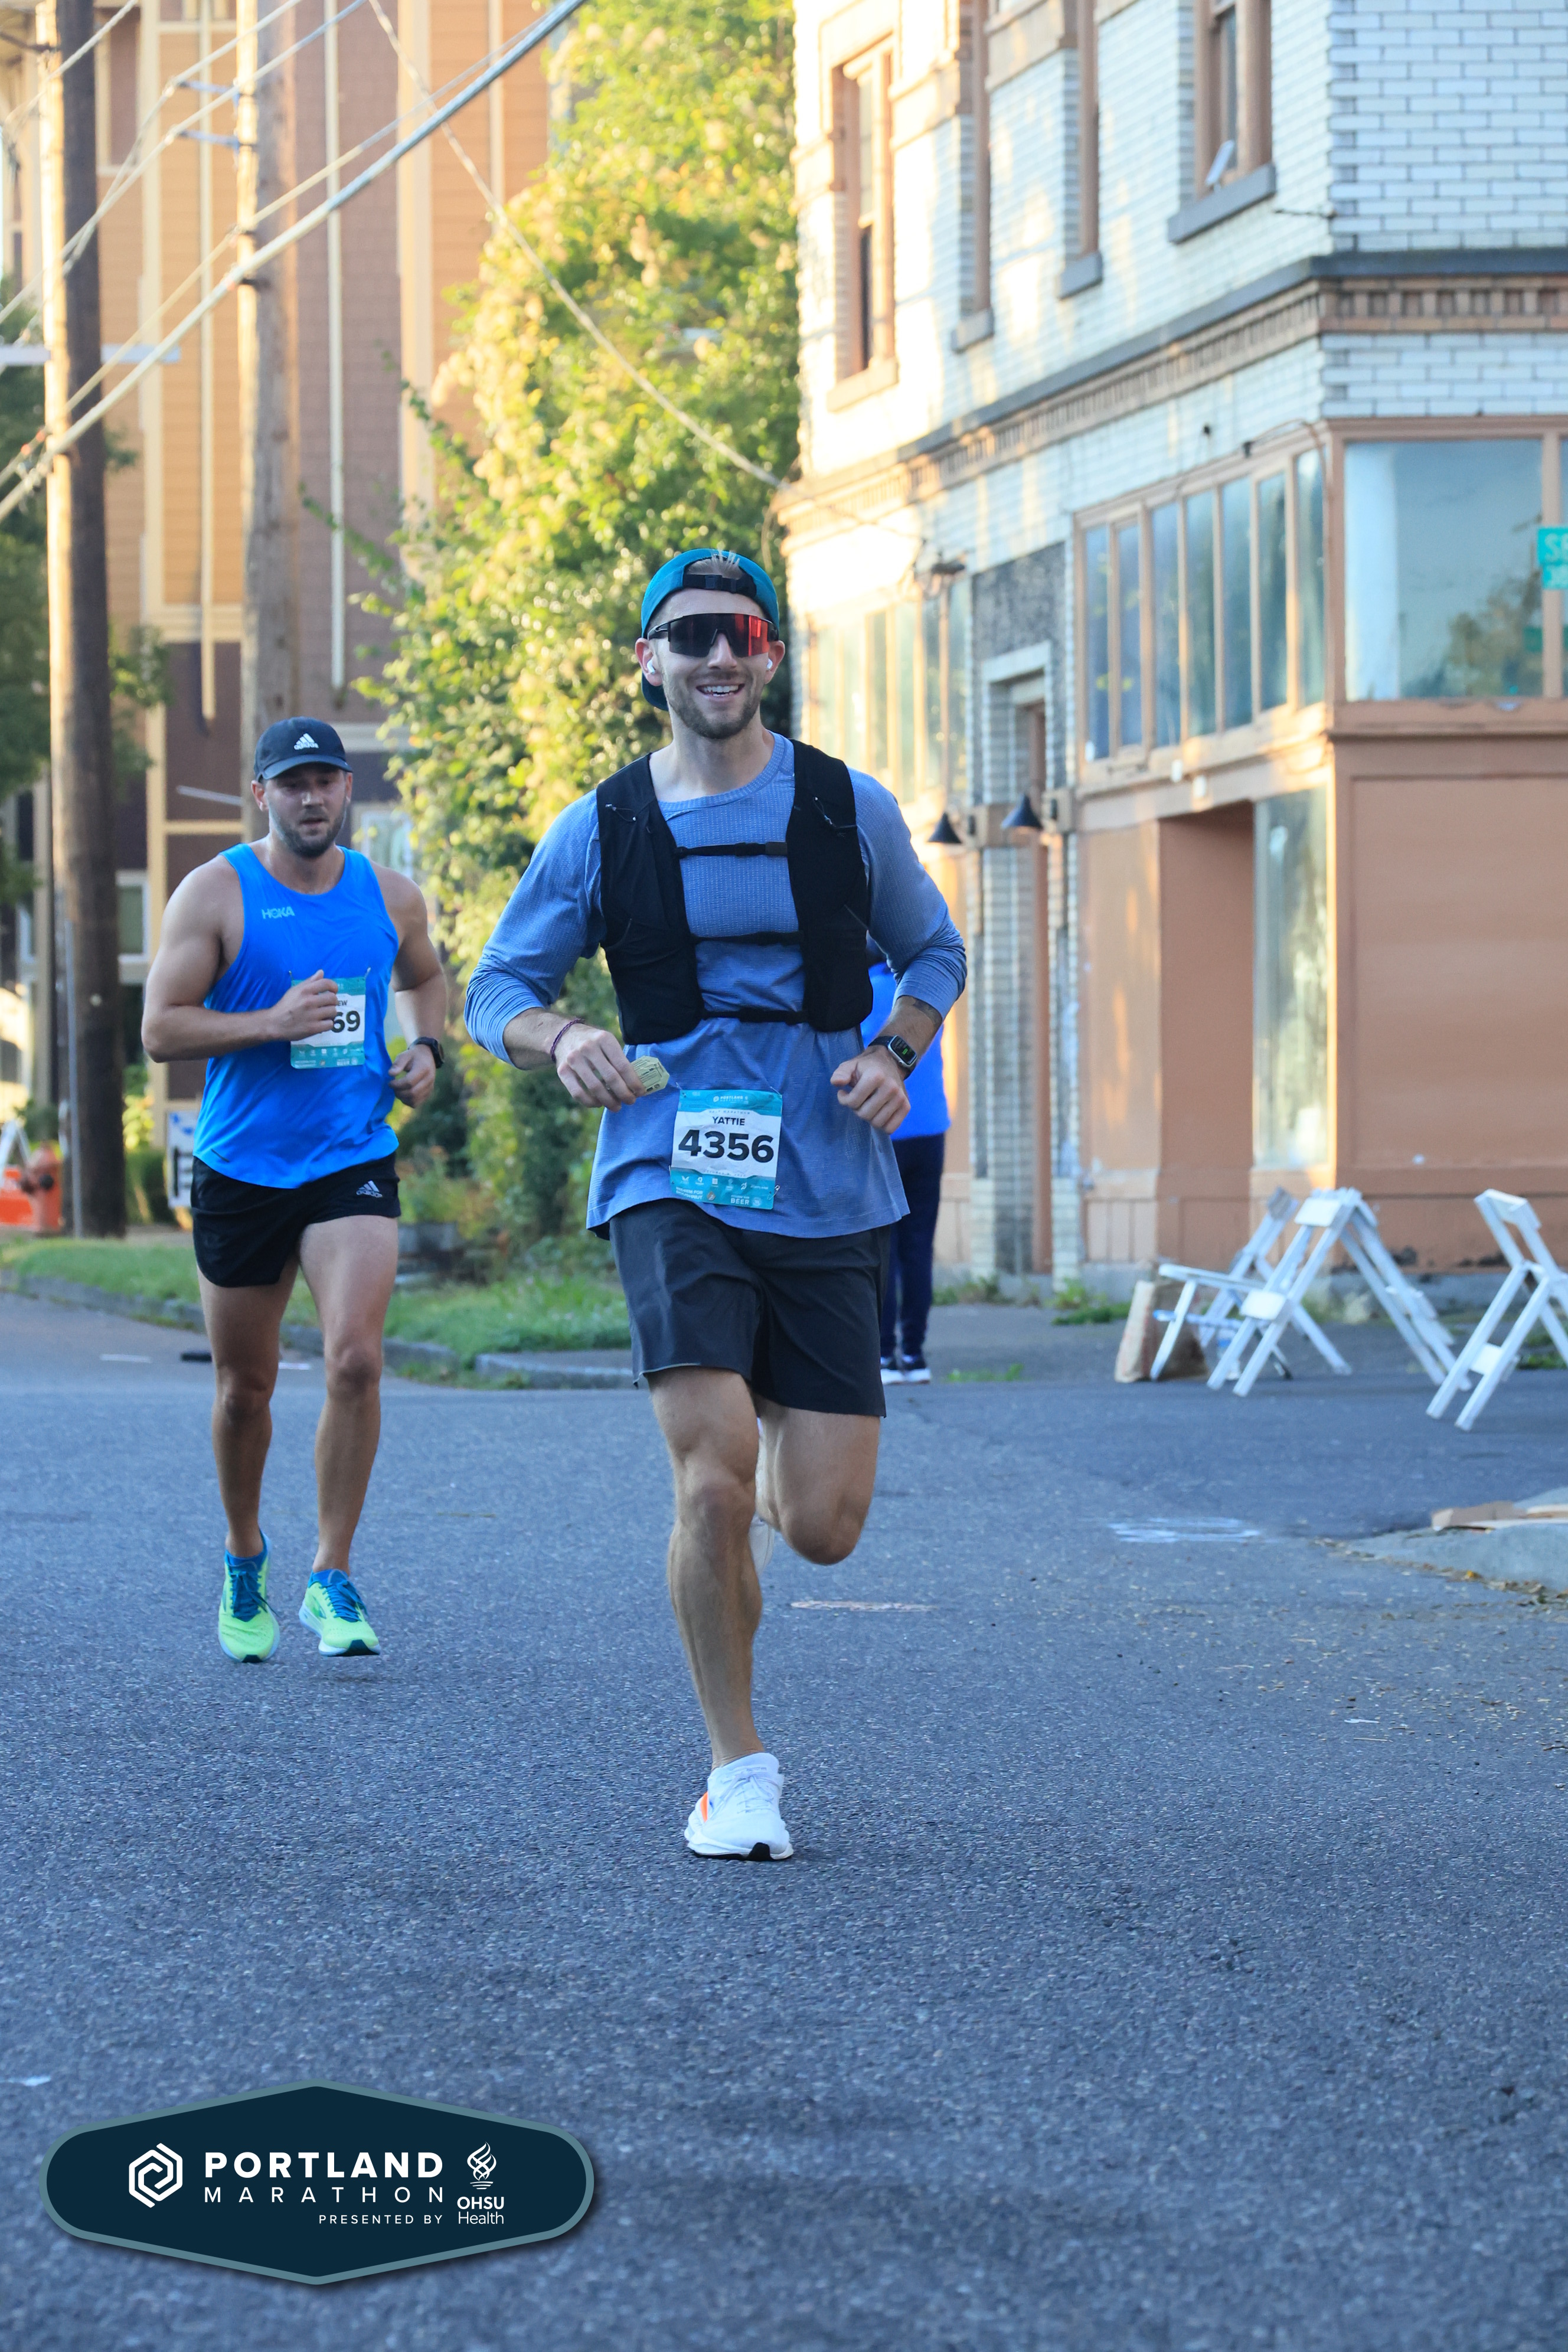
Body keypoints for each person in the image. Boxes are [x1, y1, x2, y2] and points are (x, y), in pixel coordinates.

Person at [466, 547, 966, 1860]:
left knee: (824, 1525)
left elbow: (933, 949)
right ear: (650, 662)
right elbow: (494, 991)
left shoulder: (845, 806)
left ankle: (759, 1477)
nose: (717, 656)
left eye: (740, 633)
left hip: (828, 1170)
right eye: (689, 636)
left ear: (771, 656)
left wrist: (895, 1050)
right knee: (710, 1481)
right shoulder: (604, 825)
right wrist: (564, 1037)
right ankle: (735, 1770)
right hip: (669, 1163)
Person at [142, 717, 447, 1665]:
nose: (311, 798)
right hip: (242, 1167)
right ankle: (245, 1555)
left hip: (350, 1155)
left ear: (347, 789)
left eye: (325, 781)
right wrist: (270, 1022)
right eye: (292, 783)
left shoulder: (389, 896)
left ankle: (331, 1572)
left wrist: (426, 1049)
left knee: (356, 1360)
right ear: (261, 795)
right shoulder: (216, 892)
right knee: (246, 1389)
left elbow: (428, 979)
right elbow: (160, 1029)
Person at [864, 954, 950, 1385]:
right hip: (931, 1129)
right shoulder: (924, 998)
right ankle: (915, 1355)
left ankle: (883, 1353)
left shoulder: (862, 996)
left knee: (884, 1245)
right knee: (919, 1247)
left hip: (884, 1130)